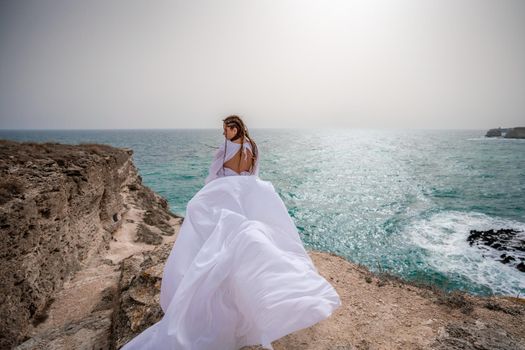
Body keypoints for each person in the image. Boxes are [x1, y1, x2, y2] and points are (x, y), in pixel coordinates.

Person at [121, 115, 341, 350]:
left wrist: (219, 174)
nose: (224, 133)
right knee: (244, 229)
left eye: (226, 129)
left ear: (235, 128)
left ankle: (211, 265)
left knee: (199, 210)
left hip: (229, 188)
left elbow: (216, 175)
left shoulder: (229, 146)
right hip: (250, 188)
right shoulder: (252, 145)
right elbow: (252, 172)